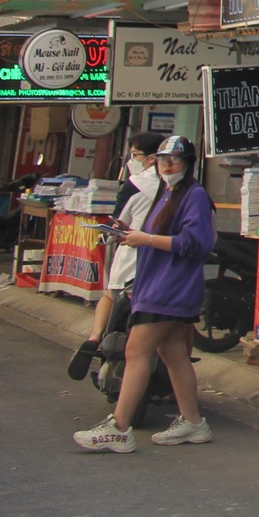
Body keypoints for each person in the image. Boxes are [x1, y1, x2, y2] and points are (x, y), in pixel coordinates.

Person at [73, 135, 215, 452]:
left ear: (188, 162)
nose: (166, 164)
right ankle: (193, 422)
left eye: (173, 159)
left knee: (137, 352)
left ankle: (120, 427)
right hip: (157, 284)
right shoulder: (167, 193)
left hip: (170, 288)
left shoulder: (194, 196)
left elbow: (196, 243)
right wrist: (123, 235)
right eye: (162, 159)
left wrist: (145, 239)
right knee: (173, 353)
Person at [66, 132, 166, 381]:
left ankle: (95, 336)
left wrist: (110, 233)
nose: (131, 159)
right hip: (165, 259)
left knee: (110, 295)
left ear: (152, 158)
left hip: (132, 253)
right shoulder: (182, 186)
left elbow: (119, 219)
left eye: (135, 155)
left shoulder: (136, 183)